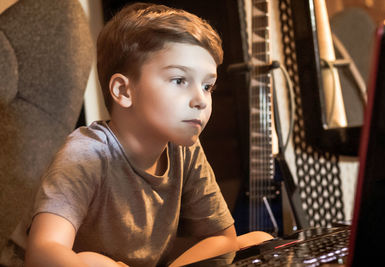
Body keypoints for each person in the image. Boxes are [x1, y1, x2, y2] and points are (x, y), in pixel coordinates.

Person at [24, 3, 272, 267]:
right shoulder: (86, 153)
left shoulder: (185, 149)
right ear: (123, 91)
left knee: (259, 238)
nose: (201, 100)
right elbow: (42, 253)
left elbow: (223, 238)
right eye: (179, 80)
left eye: (207, 85)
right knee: (90, 261)